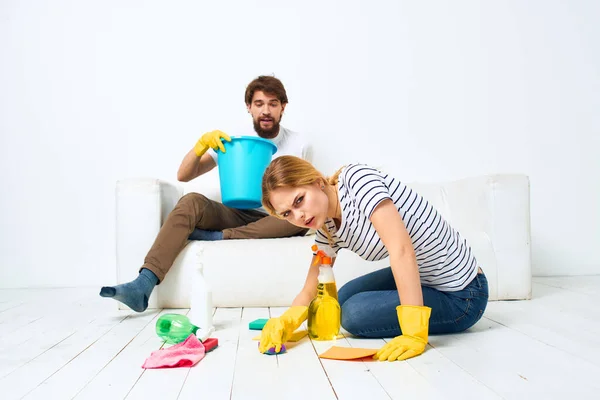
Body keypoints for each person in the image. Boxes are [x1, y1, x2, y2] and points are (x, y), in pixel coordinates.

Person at [100, 76, 309, 312]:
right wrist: (200, 146)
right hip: (237, 212)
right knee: (191, 202)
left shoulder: (297, 143)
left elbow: (303, 194)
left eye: (273, 104)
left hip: (276, 216)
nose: (266, 111)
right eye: (259, 104)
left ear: (283, 107)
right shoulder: (233, 141)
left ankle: (216, 237)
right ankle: (143, 284)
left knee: (299, 222)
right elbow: (184, 175)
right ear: (249, 107)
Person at [258, 156, 488, 361]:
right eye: (287, 213)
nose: (298, 215)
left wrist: (413, 333)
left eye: (299, 200)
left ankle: (424, 317)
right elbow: (312, 287)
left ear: (318, 182)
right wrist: (286, 321)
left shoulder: (357, 179)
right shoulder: (325, 227)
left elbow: (401, 249)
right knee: (340, 299)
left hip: (463, 294)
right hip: (425, 277)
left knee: (352, 314)